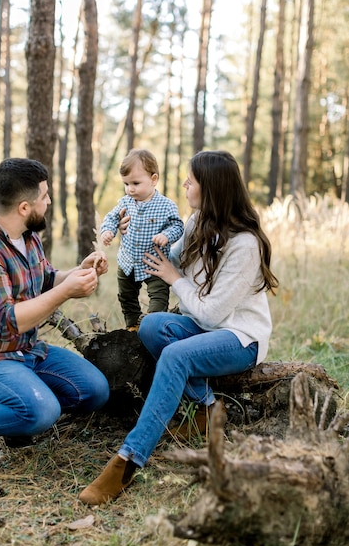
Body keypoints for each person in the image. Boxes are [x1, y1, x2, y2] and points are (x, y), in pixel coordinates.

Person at [79, 150, 279, 505]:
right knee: (151, 326)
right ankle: (206, 408)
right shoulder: (197, 221)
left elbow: (213, 315)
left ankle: (129, 459)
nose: (185, 184)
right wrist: (125, 241)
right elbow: (166, 261)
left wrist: (174, 279)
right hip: (204, 326)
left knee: (174, 356)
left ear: (212, 187)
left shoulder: (244, 244)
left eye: (192, 179)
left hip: (239, 338)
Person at [0, 158, 110, 474]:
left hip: (26, 351)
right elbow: (8, 322)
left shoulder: (28, 235)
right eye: (44, 196)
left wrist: (79, 271)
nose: (48, 201)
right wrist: (67, 292)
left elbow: (45, 279)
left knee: (94, 390)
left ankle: (16, 420)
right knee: (42, 410)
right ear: (23, 207)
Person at [100, 148, 184, 330]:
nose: (130, 189)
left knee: (159, 295)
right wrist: (108, 231)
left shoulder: (166, 205)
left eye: (136, 183)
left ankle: (153, 324)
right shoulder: (125, 202)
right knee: (126, 295)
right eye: (126, 183)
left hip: (154, 263)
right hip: (128, 260)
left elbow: (178, 226)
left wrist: (166, 235)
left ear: (153, 179)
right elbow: (111, 218)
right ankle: (132, 326)